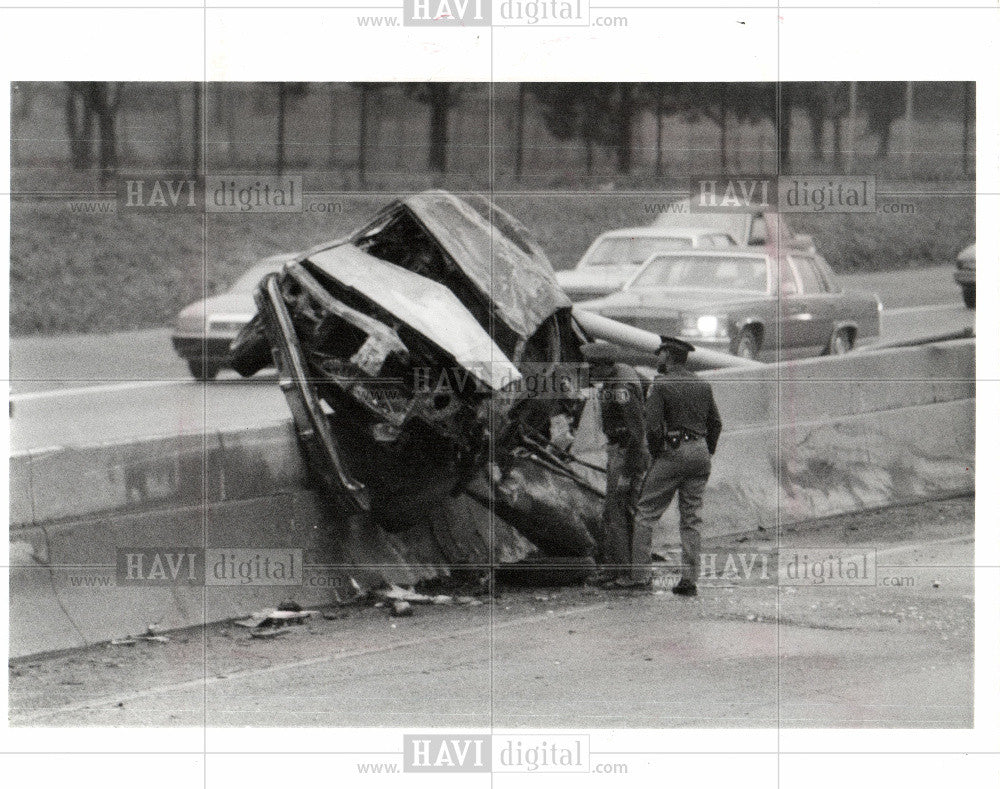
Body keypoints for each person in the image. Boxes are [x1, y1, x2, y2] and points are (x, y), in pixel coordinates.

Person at [634, 337, 722, 596]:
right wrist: (707, 450)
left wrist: (656, 453)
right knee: (692, 518)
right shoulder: (703, 384)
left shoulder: (661, 385)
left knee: (645, 513)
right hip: (700, 451)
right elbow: (716, 423)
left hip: (673, 452)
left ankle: (639, 575)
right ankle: (689, 579)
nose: (657, 357)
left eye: (660, 353)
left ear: (669, 356)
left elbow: (651, 426)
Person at [579, 342, 651, 588]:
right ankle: (616, 568)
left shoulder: (623, 387)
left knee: (620, 512)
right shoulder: (624, 372)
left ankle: (628, 573)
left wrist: (630, 471)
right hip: (620, 451)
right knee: (615, 513)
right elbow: (648, 386)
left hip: (627, 454)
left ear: (603, 366)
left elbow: (637, 431)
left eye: (592, 367)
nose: (589, 371)